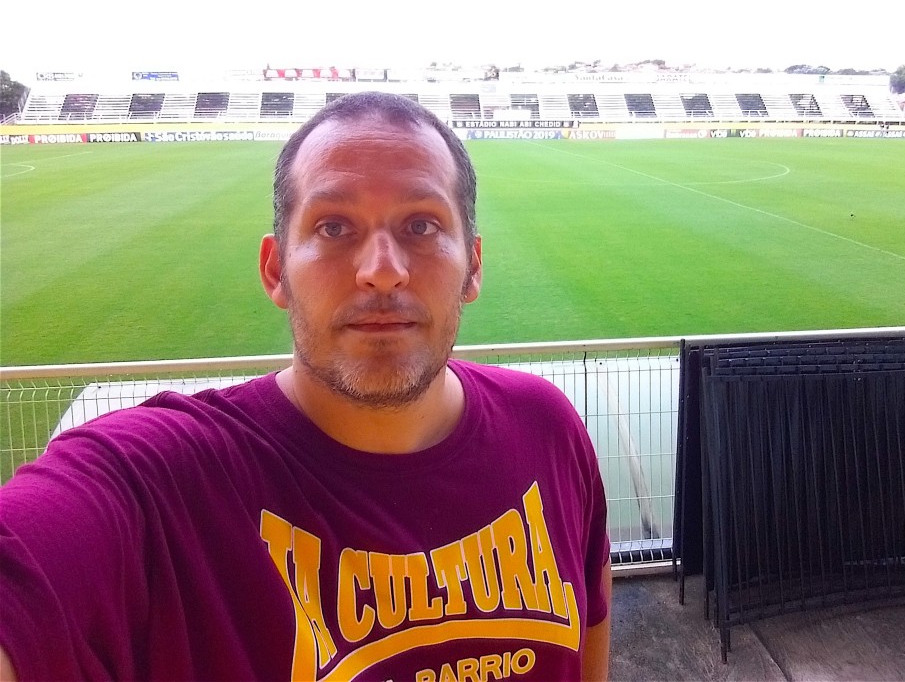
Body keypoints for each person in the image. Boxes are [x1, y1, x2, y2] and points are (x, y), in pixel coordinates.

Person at [0, 91, 612, 681]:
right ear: (275, 271)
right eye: (333, 228)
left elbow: (589, 640)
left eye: (422, 226)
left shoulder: (548, 429)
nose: (381, 271)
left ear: (473, 265)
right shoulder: (153, 487)